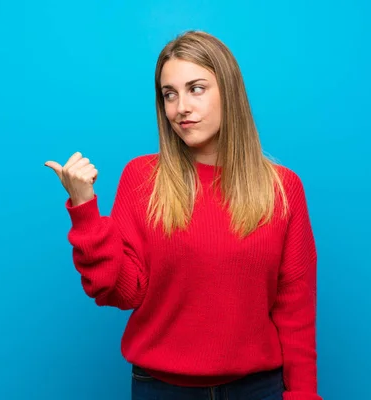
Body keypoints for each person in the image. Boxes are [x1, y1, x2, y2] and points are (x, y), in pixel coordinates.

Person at [45, 30, 322, 400]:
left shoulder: (283, 189)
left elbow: (295, 308)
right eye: (169, 94)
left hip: (258, 389)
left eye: (196, 88)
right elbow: (118, 290)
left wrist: (304, 395)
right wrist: (84, 210)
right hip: (161, 389)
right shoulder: (142, 178)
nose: (180, 108)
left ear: (230, 91)